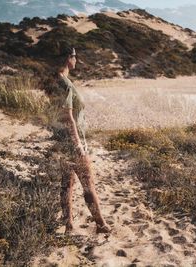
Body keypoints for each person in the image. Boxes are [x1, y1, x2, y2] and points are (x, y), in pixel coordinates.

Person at [52, 46, 110, 234]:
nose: (76, 60)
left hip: (60, 141)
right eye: (75, 57)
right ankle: (101, 225)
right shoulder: (65, 84)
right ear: (69, 58)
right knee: (88, 184)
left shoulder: (55, 81)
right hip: (71, 142)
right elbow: (67, 116)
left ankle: (68, 225)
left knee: (66, 184)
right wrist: (77, 144)